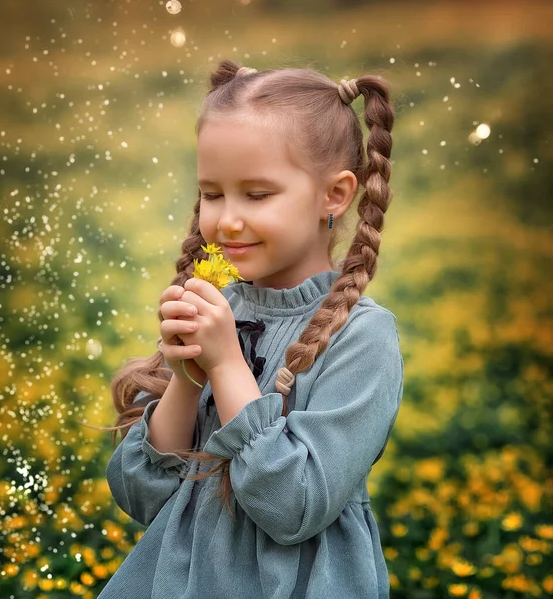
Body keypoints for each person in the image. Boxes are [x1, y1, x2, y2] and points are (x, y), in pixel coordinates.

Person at [98, 59, 404, 599]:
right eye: (212, 194)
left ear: (334, 196)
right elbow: (144, 498)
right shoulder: (218, 305)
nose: (227, 220)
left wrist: (225, 365)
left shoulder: (363, 339)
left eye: (257, 195)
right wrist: (186, 380)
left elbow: (293, 508)